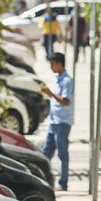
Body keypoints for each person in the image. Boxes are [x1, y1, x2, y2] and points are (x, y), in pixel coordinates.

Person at [40, 52, 74, 191]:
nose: (51, 67)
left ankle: (63, 182)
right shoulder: (58, 79)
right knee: (45, 154)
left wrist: (50, 93)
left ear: (60, 64)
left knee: (62, 154)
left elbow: (65, 101)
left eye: (52, 64)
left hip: (62, 122)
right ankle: (42, 180)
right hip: (53, 121)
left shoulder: (67, 81)